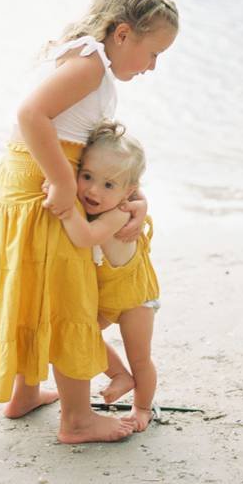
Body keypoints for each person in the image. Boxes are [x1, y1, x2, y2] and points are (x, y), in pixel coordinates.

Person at [0, 0, 178, 444]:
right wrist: (62, 181)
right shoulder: (91, 67)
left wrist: (131, 196)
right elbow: (30, 114)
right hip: (45, 189)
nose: (154, 66)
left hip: (25, 184)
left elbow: (90, 146)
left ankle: (25, 392)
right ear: (122, 34)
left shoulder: (82, 53)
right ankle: (78, 419)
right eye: (153, 53)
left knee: (35, 292)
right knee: (66, 298)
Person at [65, 120, 163, 434]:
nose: (93, 190)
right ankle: (120, 376)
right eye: (87, 177)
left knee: (141, 358)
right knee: (84, 335)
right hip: (107, 298)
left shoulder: (118, 213)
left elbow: (87, 237)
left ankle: (142, 406)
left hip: (136, 299)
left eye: (109, 185)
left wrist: (66, 209)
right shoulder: (98, 204)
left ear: (128, 192)